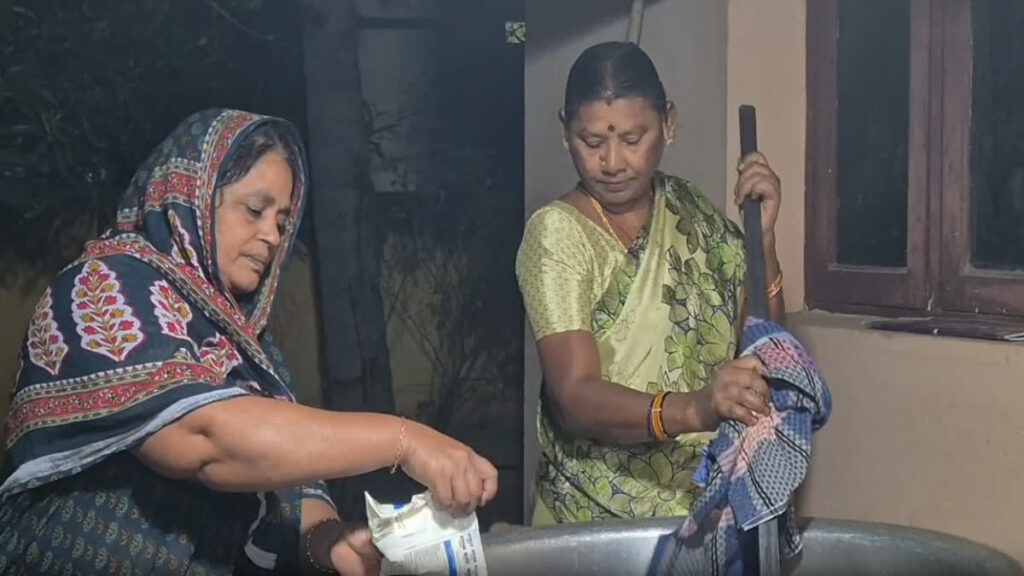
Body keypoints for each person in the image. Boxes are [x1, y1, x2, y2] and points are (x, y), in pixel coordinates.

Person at [0, 109, 498, 575]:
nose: (273, 236)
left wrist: (328, 541)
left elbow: (293, 485)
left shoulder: (245, 342)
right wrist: (404, 440)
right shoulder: (104, 285)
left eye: (282, 222)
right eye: (255, 210)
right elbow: (205, 438)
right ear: (190, 197)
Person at [515, 42, 786, 526]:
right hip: (592, 525)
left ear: (669, 124)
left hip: (702, 510)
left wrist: (762, 243)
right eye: (592, 142)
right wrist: (697, 409)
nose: (613, 162)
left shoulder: (690, 211)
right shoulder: (557, 234)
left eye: (633, 138)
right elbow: (574, 399)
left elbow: (765, 351)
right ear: (565, 133)